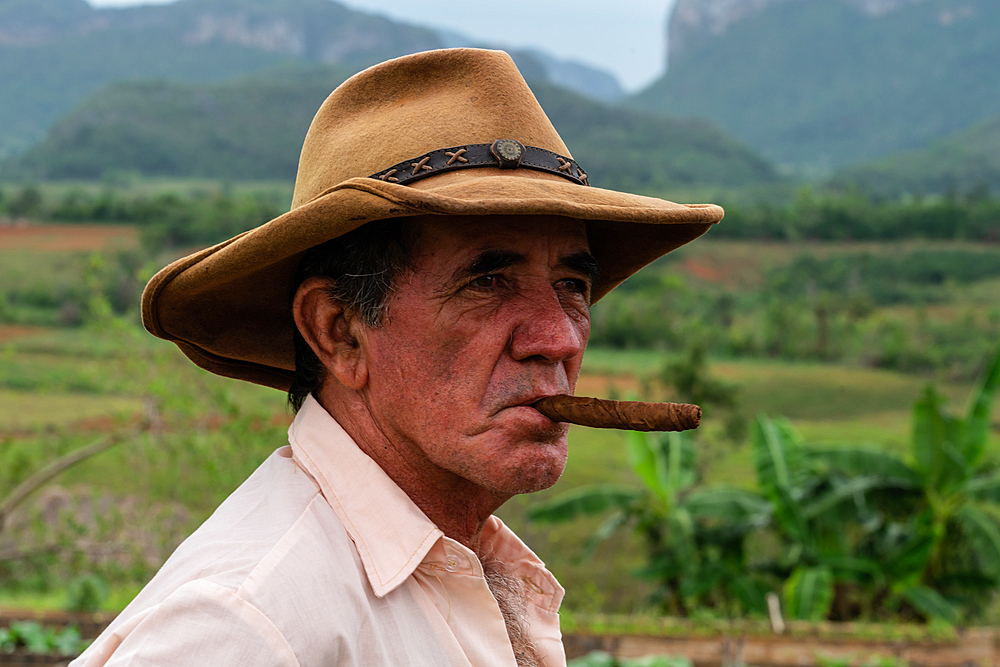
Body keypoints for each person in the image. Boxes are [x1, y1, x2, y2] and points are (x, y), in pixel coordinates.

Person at [71, 48, 723, 666]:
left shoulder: (460, 564)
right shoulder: (249, 623)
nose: (558, 338)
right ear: (340, 333)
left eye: (572, 286)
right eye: (487, 282)